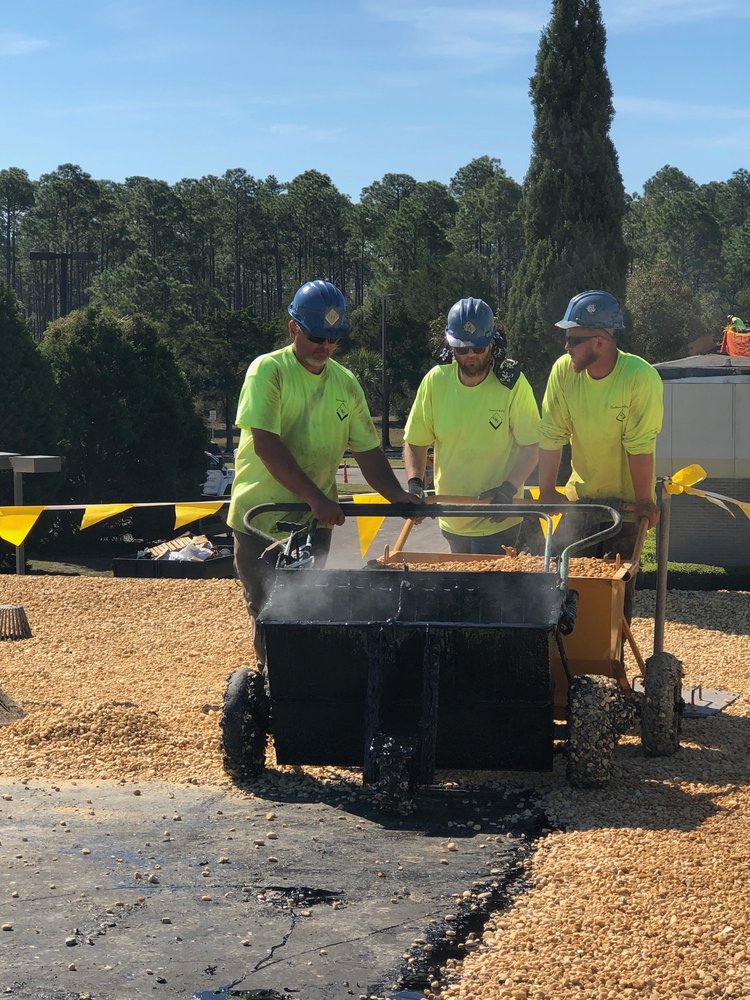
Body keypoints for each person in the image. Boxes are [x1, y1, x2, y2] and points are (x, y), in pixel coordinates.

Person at [228, 279, 419, 646]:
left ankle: (305, 675)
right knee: (270, 614)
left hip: (313, 524)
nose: (326, 347)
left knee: (308, 611)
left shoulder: (345, 383)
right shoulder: (269, 371)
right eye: (317, 337)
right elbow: (267, 446)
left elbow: (367, 451)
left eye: (333, 339)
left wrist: (397, 496)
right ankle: (274, 678)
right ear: (293, 329)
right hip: (261, 519)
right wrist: (316, 498)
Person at [537, 289, 664, 579]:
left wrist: (644, 501)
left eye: (573, 340)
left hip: (627, 508)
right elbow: (551, 434)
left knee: (614, 591)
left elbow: (639, 445)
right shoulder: (563, 371)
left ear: (599, 341)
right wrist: (546, 491)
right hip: (580, 500)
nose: (566, 347)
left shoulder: (639, 377)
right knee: (561, 586)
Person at [403, 297, 540, 554]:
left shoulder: (512, 383)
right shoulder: (436, 381)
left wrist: (508, 489)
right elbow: (415, 441)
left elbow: (531, 446)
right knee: (459, 578)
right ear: (450, 346)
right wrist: (415, 485)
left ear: (492, 343)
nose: (471, 356)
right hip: (452, 515)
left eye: (478, 348)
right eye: (462, 349)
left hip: (498, 516)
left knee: (487, 579)